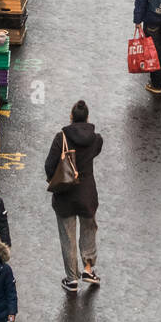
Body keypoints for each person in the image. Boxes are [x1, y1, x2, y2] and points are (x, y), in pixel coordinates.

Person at [44, 101, 103, 294]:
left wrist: (53, 179)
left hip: (65, 196)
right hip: (87, 194)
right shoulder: (96, 140)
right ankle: (88, 268)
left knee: (67, 237)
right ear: (87, 117)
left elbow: (49, 165)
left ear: (71, 116)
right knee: (89, 229)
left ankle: (72, 279)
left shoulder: (61, 138)